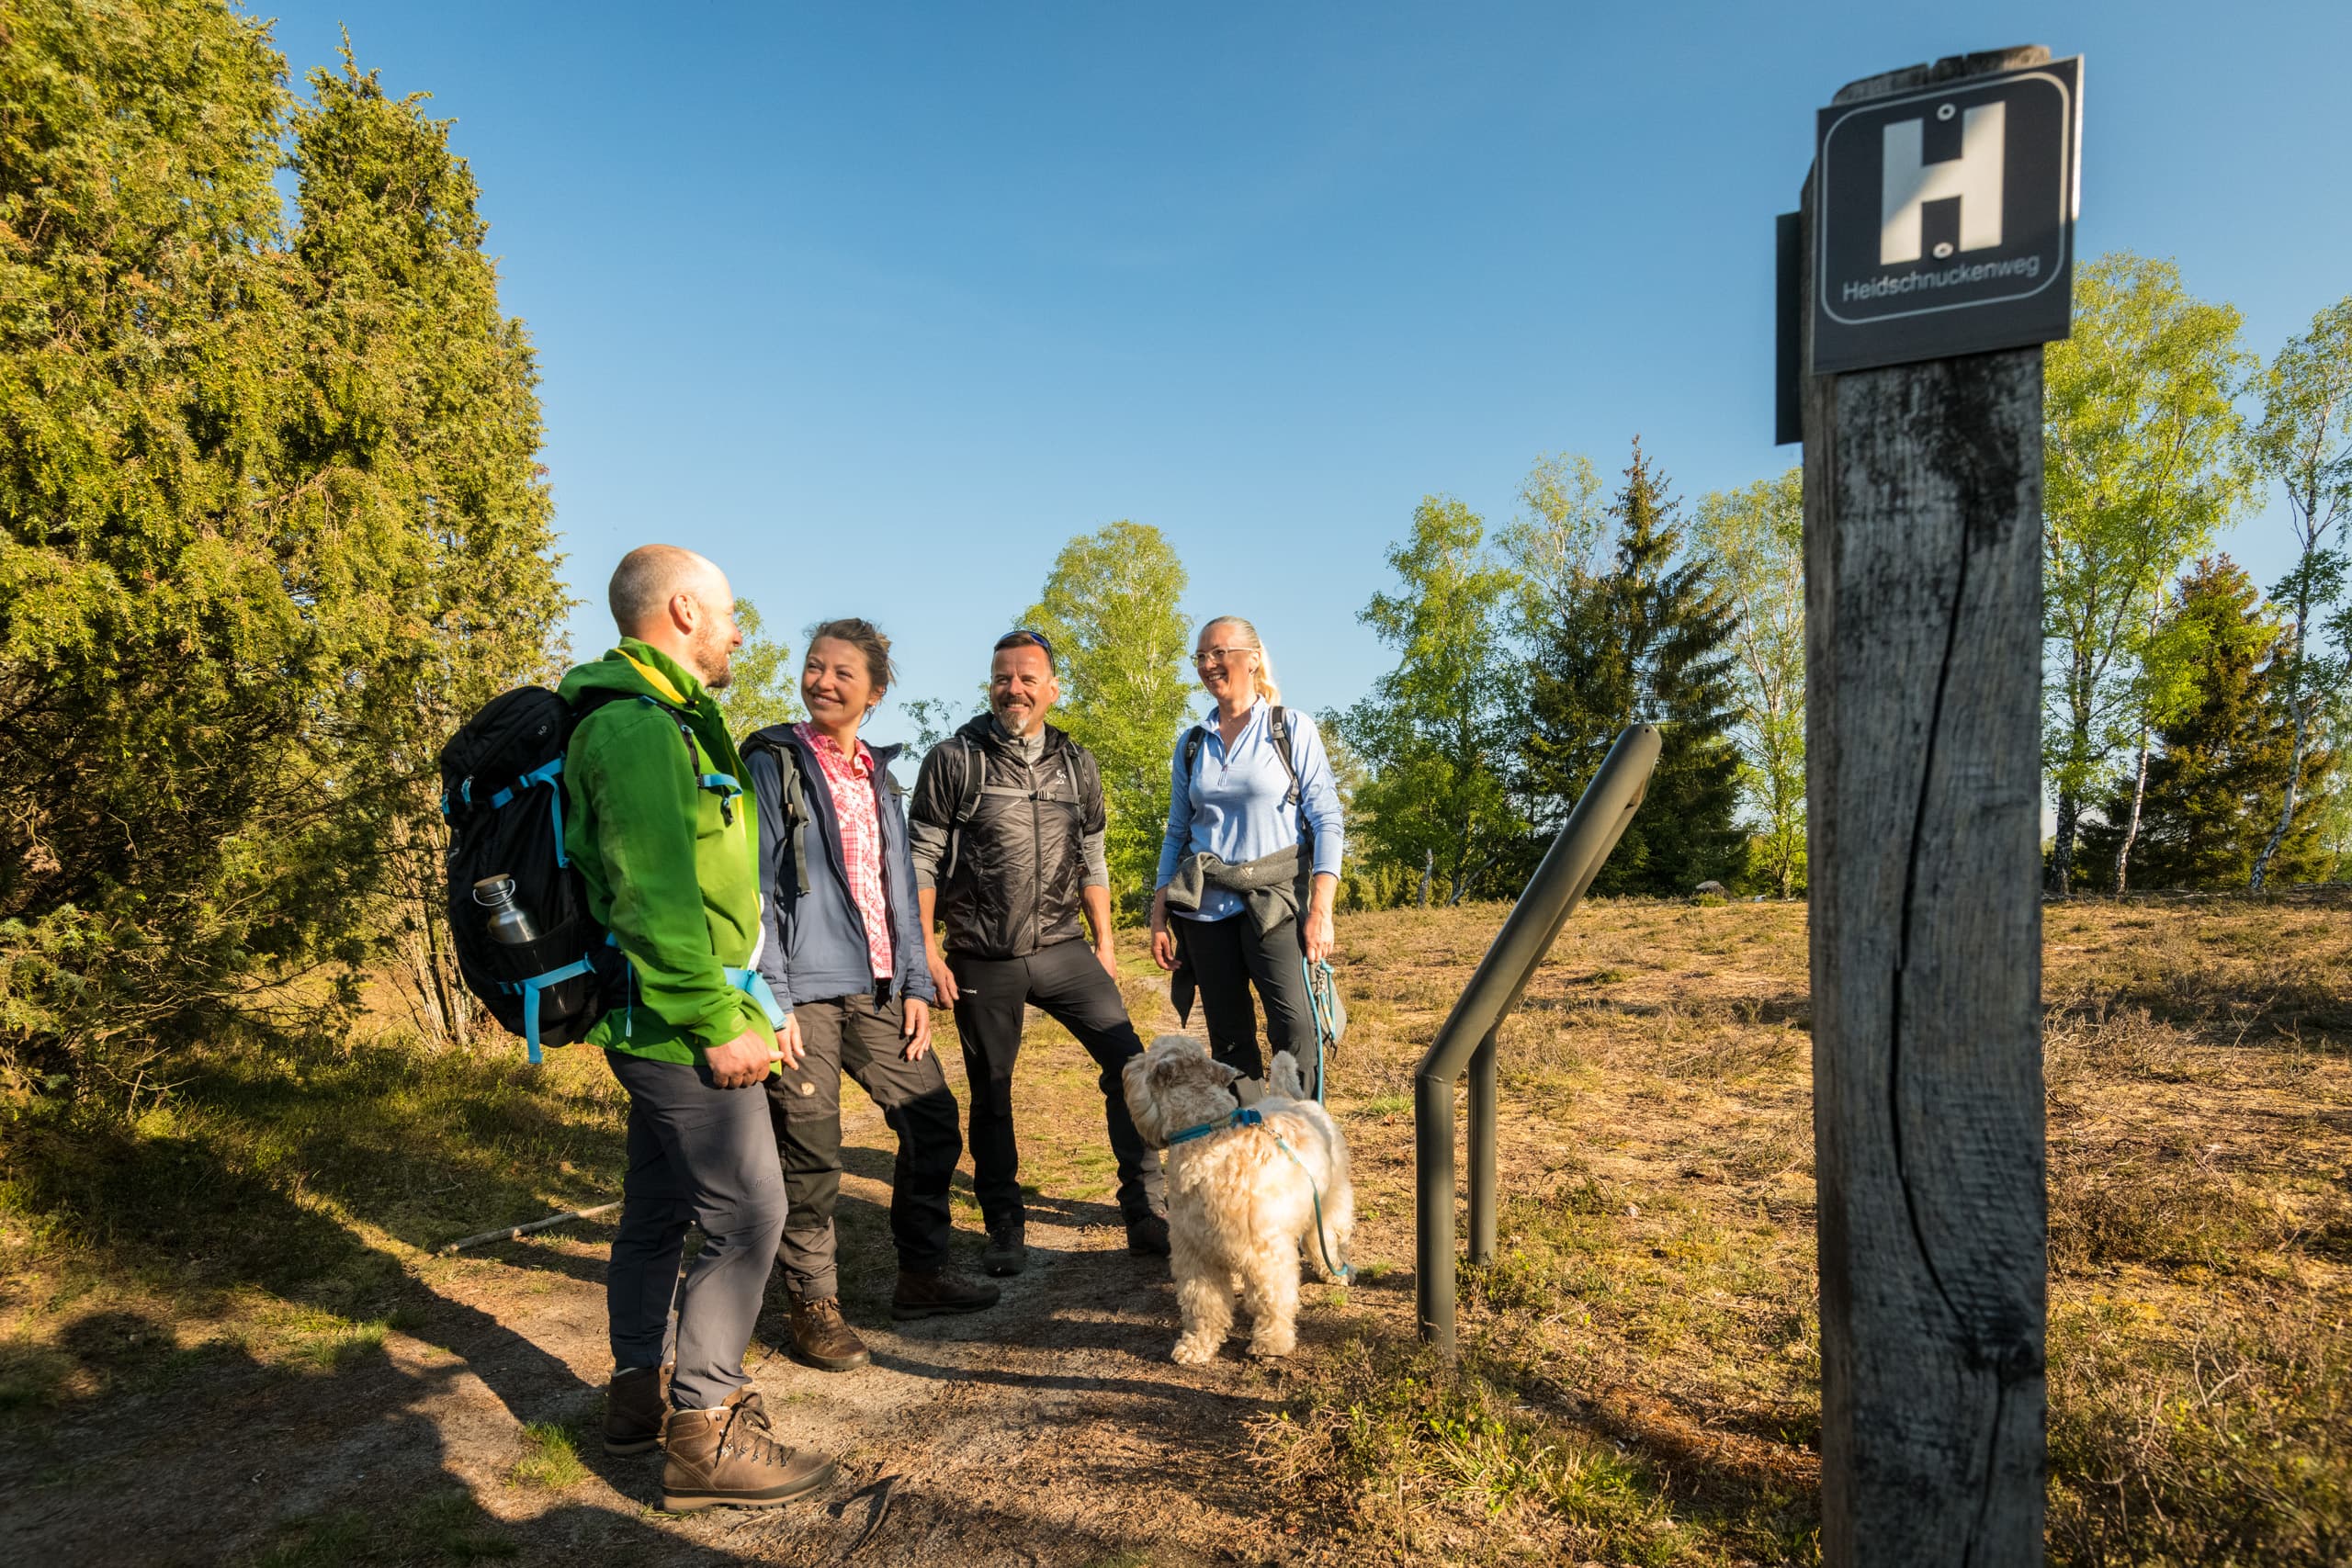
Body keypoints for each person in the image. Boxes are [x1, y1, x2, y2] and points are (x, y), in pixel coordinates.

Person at [559, 544, 832, 1512]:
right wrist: (722, 1019)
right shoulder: (634, 732)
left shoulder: (665, 718)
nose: (738, 631)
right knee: (748, 1210)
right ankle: (705, 1432)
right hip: (677, 1021)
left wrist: (753, 999)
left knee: (661, 1208)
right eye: (727, 614)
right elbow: (653, 897)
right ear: (680, 611)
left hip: (677, 1010)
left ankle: (638, 1397)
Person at [741, 618, 1000, 1373]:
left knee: (932, 1118)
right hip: (803, 991)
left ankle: (920, 1274)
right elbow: (752, 883)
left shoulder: (880, 777)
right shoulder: (774, 760)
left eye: (842, 672)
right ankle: (812, 1304)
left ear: (875, 692)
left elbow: (897, 890)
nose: (823, 680)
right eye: (815, 666)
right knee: (811, 1149)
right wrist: (773, 997)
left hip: (881, 988)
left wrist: (916, 982)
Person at [907, 629, 1168, 1275]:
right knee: (992, 1091)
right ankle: (1005, 1223)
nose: (1013, 688)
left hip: (1063, 946)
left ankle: (1146, 1206)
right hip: (980, 954)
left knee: (1128, 1063)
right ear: (990, 685)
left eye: (1027, 677)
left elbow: (1093, 856)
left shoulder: (1078, 763)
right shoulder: (954, 758)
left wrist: (1105, 943)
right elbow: (921, 860)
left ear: (1052, 688)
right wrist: (925, 953)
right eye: (1002, 677)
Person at [1148, 615, 1345, 1097]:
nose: (1209, 665)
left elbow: (1327, 822)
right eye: (1201, 656)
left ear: (1253, 659)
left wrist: (1321, 910)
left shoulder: (1289, 728)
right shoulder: (1192, 743)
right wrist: (1158, 910)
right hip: (1205, 910)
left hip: (1274, 903)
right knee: (1229, 1042)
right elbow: (1177, 831)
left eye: (1219, 653)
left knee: (1296, 1031)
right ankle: (1251, 1141)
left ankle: (1300, 1138)